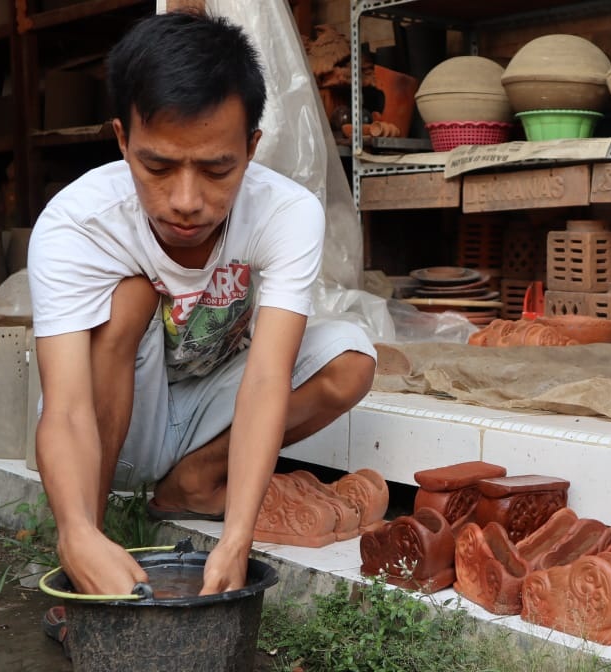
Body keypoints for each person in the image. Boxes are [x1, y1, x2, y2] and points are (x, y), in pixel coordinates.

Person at [27, 6, 377, 609]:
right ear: (122, 140)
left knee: (351, 357)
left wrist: (236, 538)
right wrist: (75, 535)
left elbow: (268, 377)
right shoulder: (76, 225)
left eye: (218, 168)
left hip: (212, 402)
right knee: (131, 295)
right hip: (121, 422)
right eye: (156, 166)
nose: (186, 201)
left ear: (251, 146)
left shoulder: (286, 213)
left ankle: (189, 484)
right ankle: (103, 523)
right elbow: (65, 409)